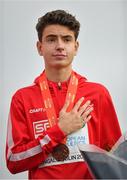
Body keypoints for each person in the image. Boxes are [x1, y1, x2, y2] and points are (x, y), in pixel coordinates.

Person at [6, 10, 121, 179]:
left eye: (67, 39)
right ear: (40, 47)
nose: (59, 45)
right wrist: (59, 130)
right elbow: (14, 161)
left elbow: (117, 158)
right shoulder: (22, 98)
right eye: (51, 39)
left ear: (76, 47)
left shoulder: (98, 94)